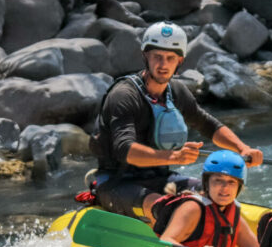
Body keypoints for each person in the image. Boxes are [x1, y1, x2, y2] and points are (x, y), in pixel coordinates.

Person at [88, 21, 263, 218]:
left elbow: (207, 124)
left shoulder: (177, 91)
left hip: (161, 179)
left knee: (217, 197)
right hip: (117, 182)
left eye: (170, 58)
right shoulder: (124, 95)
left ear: (180, 61)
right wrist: (173, 157)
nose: (163, 65)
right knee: (165, 208)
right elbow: (124, 149)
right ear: (145, 55)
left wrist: (242, 148)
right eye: (157, 57)